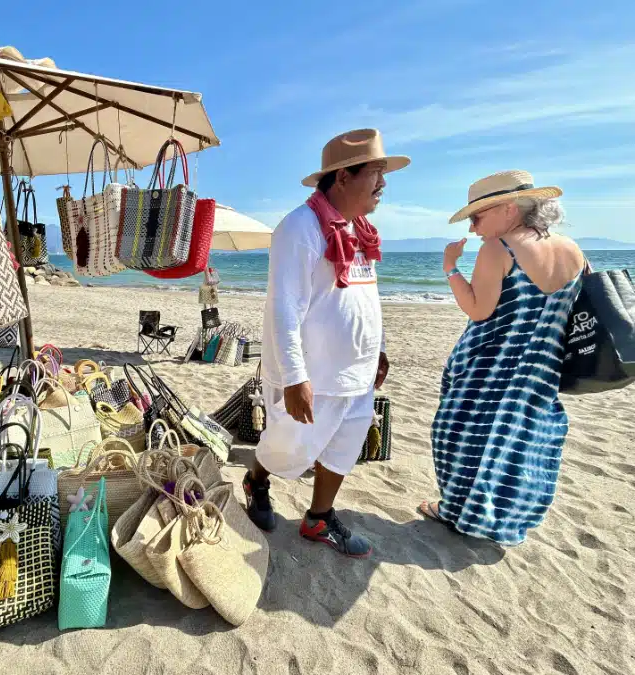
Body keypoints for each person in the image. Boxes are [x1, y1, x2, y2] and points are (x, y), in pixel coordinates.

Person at [242, 128, 409, 558]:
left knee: (345, 445)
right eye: (376, 172)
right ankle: (257, 480)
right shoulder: (300, 227)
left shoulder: (361, 230)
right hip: (315, 371)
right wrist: (296, 376)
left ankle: (318, 517)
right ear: (342, 177)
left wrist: (379, 348)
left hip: (357, 369)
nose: (384, 184)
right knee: (288, 445)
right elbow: (284, 306)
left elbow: (365, 294)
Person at [422, 170, 585, 545]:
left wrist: (450, 267)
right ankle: (501, 522)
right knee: (519, 447)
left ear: (509, 209)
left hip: (490, 366)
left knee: (459, 436)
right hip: (541, 372)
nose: (475, 227)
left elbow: (478, 310)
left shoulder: (499, 249)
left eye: (478, 216)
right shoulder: (572, 249)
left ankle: (455, 512)